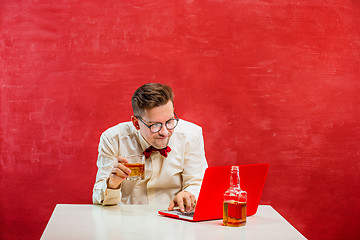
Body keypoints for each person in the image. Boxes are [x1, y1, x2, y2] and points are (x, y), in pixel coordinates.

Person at [92, 83, 208, 212]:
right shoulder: (113, 139)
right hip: (126, 219)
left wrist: (189, 194)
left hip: (173, 216)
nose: (164, 132)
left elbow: (198, 183)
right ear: (136, 123)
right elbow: (97, 198)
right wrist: (112, 185)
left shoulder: (191, 135)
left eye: (169, 121)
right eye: (155, 125)